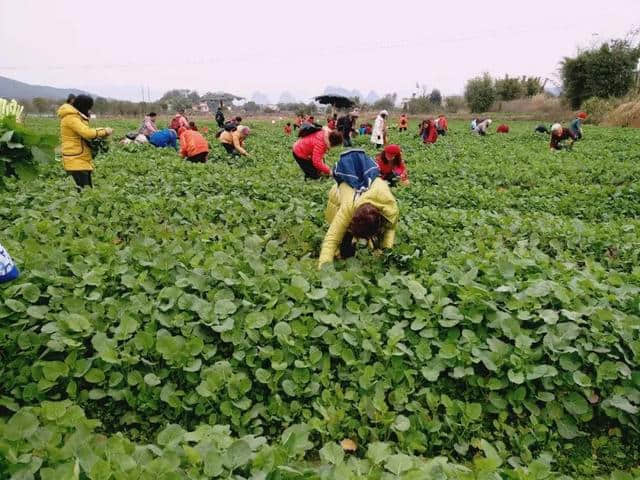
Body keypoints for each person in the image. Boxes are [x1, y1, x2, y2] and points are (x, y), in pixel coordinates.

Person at [319, 149, 398, 267]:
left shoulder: (390, 209)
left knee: (377, 238)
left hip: (370, 197)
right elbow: (332, 238)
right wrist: (324, 267)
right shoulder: (349, 206)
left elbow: (390, 229)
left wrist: (386, 251)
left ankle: (368, 241)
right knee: (343, 244)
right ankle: (344, 251)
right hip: (337, 197)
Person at [58, 94, 113, 190]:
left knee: (85, 190)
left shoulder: (75, 116)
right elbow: (86, 133)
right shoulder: (71, 118)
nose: (89, 110)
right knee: (84, 191)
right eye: (88, 108)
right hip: (75, 158)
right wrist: (104, 131)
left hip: (79, 157)